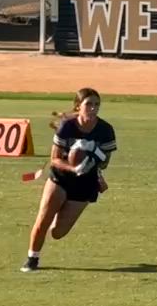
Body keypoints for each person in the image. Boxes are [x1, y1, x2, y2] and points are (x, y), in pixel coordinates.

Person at [20, 87, 116, 272]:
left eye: (97, 104)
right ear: (78, 106)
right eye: (89, 104)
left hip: (86, 183)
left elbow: (105, 162)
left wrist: (92, 154)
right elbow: (54, 159)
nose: (93, 108)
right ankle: (32, 258)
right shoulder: (67, 126)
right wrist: (73, 166)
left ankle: (60, 212)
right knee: (43, 219)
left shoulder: (105, 130)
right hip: (61, 177)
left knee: (57, 233)